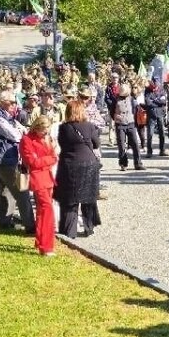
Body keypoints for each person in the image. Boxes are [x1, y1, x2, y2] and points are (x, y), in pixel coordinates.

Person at [0, 91, 36, 234]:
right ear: (3, 103)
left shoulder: (9, 117)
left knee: (6, 191)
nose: (15, 105)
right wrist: (22, 133)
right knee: (22, 191)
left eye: (15, 103)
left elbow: (23, 128)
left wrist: (23, 131)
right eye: (12, 102)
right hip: (5, 160)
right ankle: (30, 226)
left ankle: (4, 222)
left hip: (9, 158)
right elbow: (14, 135)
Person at [55, 100, 102, 238]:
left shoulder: (64, 128)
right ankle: (89, 227)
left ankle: (69, 231)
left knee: (69, 199)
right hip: (89, 163)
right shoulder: (90, 126)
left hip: (70, 164)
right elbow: (96, 144)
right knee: (88, 197)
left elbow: (62, 143)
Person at [19, 116, 59, 256]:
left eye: (47, 130)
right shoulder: (26, 140)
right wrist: (48, 159)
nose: (45, 133)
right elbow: (32, 162)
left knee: (43, 211)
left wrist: (46, 159)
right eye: (43, 130)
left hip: (47, 177)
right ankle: (46, 246)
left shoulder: (46, 139)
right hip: (38, 179)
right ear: (37, 127)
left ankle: (41, 241)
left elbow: (53, 157)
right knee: (48, 210)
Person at [143, 80, 168, 157]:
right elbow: (148, 102)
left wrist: (154, 100)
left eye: (156, 86)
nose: (155, 88)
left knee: (162, 133)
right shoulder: (147, 90)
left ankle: (162, 150)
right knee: (150, 133)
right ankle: (149, 151)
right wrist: (158, 101)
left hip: (160, 114)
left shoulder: (161, 89)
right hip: (151, 114)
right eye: (154, 86)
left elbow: (163, 101)